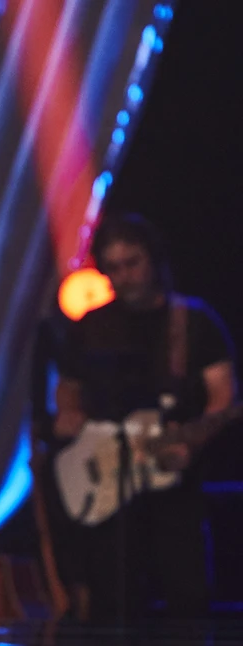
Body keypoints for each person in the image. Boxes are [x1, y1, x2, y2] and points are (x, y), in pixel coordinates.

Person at [53, 213, 236, 624]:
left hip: (172, 477)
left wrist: (191, 441)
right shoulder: (92, 326)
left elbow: (223, 396)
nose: (124, 276)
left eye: (132, 263)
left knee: (186, 593)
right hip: (107, 481)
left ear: (154, 261)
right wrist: (69, 414)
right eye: (113, 267)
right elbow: (68, 387)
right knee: (112, 599)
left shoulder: (192, 322)